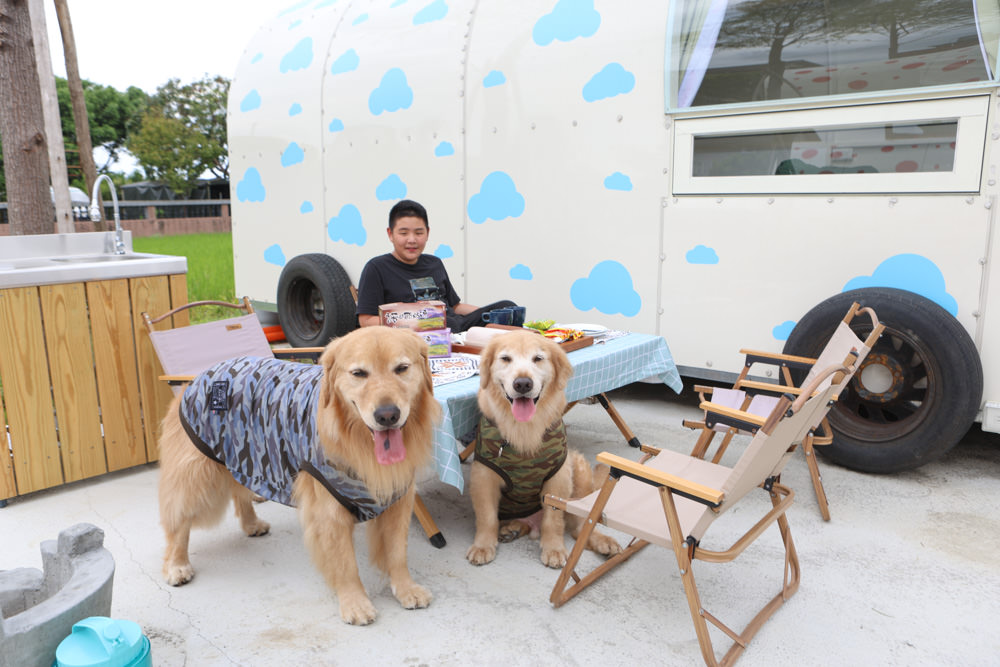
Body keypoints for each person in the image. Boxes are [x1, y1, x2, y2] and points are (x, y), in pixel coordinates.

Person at [356, 199, 518, 333]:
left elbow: (456, 307)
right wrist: (414, 321)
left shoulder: (434, 263)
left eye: (419, 233)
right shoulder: (376, 268)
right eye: (403, 233)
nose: (411, 240)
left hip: (456, 325)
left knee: (508, 307)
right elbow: (366, 320)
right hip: (416, 334)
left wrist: (489, 314)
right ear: (390, 234)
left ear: (427, 233)